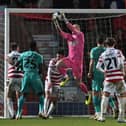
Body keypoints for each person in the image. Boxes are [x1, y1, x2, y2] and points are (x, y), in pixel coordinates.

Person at [52, 12, 91, 104]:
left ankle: (87, 94)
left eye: (75, 27)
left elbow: (71, 28)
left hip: (78, 63)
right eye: (73, 27)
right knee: (58, 65)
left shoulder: (80, 35)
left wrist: (65, 19)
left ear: (79, 29)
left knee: (78, 83)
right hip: (70, 59)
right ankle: (65, 77)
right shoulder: (70, 37)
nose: (74, 29)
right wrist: (56, 22)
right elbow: (61, 32)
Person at [96, 37, 126, 123]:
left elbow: (98, 67)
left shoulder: (103, 54)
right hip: (119, 77)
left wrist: (104, 71)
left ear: (106, 44)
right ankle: (121, 117)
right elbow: (122, 63)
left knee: (105, 96)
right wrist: (123, 72)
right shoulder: (118, 52)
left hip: (109, 77)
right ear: (114, 44)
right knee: (122, 96)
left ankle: (102, 116)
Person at [88, 37, 118, 120]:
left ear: (97, 42)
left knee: (96, 93)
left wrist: (90, 72)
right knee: (106, 93)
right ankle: (114, 107)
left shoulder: (94, 50)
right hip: (106, 74)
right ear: (104, 43)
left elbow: (92, 62)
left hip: (96, 74)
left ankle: (97, 113)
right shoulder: (106, 50)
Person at [15, 41, 45, 119]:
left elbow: (16, 64)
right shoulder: (39, 56)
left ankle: (18, 113)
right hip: (35, 75)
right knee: (41, 94)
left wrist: (21, 67)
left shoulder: (23, 54)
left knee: (23, 94)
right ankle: (41, 111)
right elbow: (41, 69)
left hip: (26, 75)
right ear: (35, 47)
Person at [41, 49, 65, 119]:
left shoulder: (64, 64)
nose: (58, 58)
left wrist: (63, 79)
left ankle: (47, 114)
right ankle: (45, 113)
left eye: (59, 56)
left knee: (54, 100)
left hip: (57, 82)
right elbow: (49, 72)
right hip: (49, 80)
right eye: (57, 56)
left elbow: (64, 74)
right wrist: (50, 82)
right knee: (47, 95)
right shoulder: (53, 61)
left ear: (62, 56)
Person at [6, 43, 23, 119]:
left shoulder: (9, 55)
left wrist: (13, 64)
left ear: (11, 48)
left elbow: (8, 60)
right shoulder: (21, 55)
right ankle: (19, 114)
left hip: (12, 77)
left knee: (9, 96)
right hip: (20, 77)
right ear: (17, 48)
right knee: (19, 96)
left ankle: (12, 114)